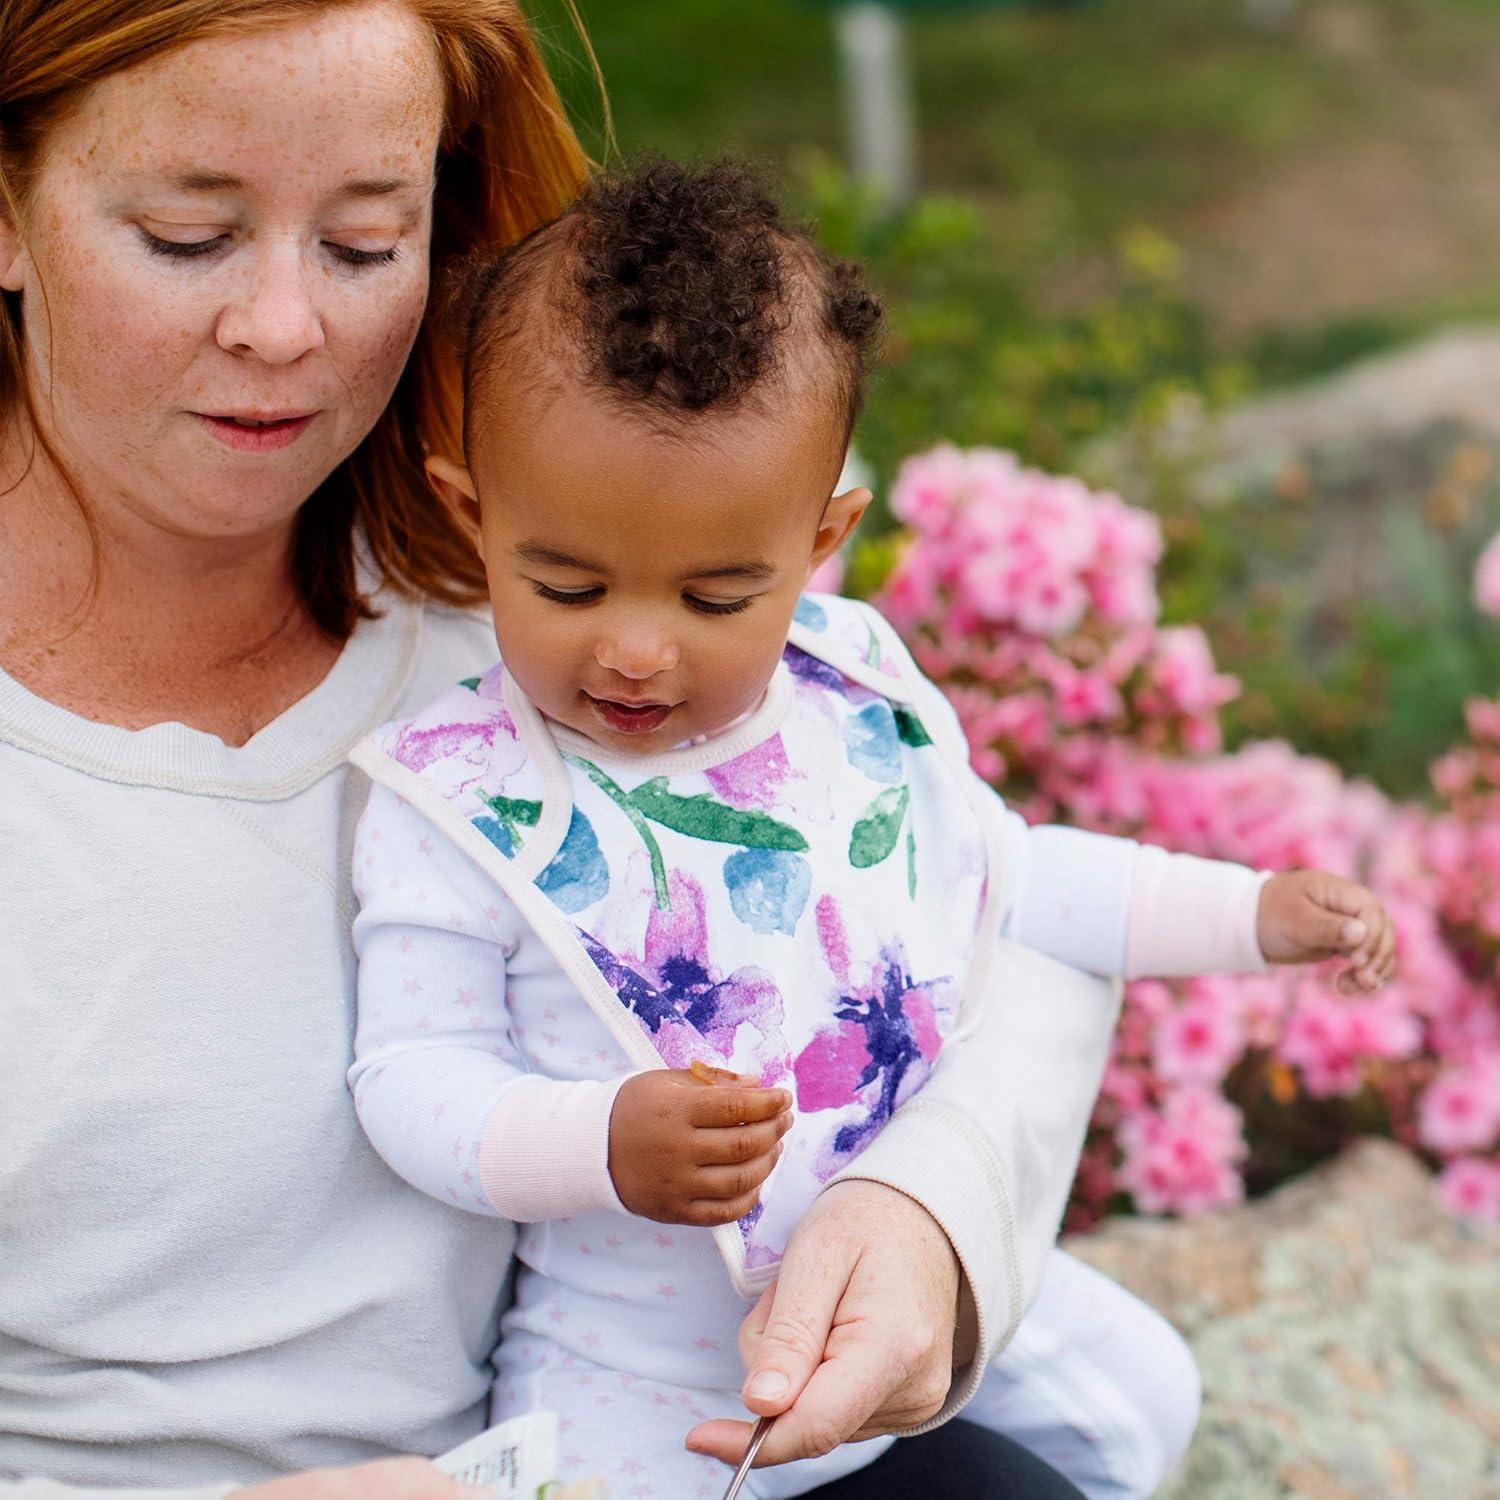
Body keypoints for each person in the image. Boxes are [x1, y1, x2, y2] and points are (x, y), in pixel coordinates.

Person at [0, 3, 1124, 1498]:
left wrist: (933, 1215)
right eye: (189, 235)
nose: (284, 327)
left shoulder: (555, 606)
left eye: (362, 242)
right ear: (8, 208)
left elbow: (994, 915)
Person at [347, 160, 1396, 1498]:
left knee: (1145, 1397)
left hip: (899, 1267)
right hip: (647, 1374)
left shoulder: (853, 691)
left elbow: (1009, 882)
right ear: (471, 513)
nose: (635, 649)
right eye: (566, 581)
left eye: (720, 595)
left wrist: (1249, 912)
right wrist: (600, 1139)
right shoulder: (457, 797)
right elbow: (409, 1082)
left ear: (823, 536)